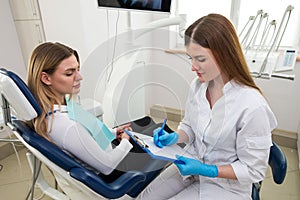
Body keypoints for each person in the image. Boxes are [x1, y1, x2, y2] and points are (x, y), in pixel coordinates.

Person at [137, 13, 277, 200]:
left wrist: (207, 170)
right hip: (192, 163)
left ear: (224, 55)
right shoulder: (198, 86)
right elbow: (189, 126)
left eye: (200, 59)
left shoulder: (252, 106)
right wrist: (175, 136)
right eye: (190, 58)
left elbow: (253, 170)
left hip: (227, 187)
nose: (193, 67)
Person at [26, 42, 163, 183]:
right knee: (163, 135)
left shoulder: (57, 107)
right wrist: (125, 142)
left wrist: (113, 132)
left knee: (146, 122)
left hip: (106, 148)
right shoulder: (67, 126)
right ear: (46, 78)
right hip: (115, 169)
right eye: (69, 73)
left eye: (77, 70)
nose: (79, 77)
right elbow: (107, 166)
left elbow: (87, 134)